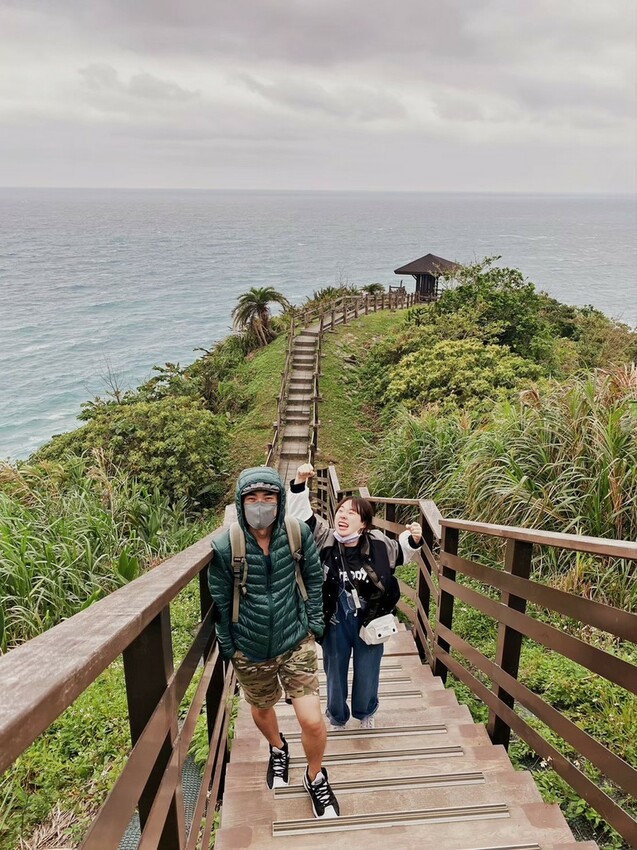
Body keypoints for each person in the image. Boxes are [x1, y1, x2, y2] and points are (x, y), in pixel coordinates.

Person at [208, 466, 339, 819]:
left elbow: (313, 577)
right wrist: (231, 647)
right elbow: (221, 602)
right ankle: (278, 748)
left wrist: (313, 623)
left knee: (312, 720)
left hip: (295, 640)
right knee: (262, 709)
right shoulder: (226, 546)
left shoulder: (296, 533)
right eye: (252, 498)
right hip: (250, 647)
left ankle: (315, 776)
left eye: (268, 497)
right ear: (241, 503)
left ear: (280, 501)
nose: (261, 505)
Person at [287, 463, 423, 730]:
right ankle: (337, 716)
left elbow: (402, 551)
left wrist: (414, 539)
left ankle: (365, 711)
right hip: (335, 619)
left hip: (370, 618)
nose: (343, 515)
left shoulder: (378, 543)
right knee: (334, 671)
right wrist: (300, 481)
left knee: (368, 669)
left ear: (364, 523)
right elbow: (301, 517)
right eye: (341, 511)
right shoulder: (324, 538)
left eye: (352, 513)